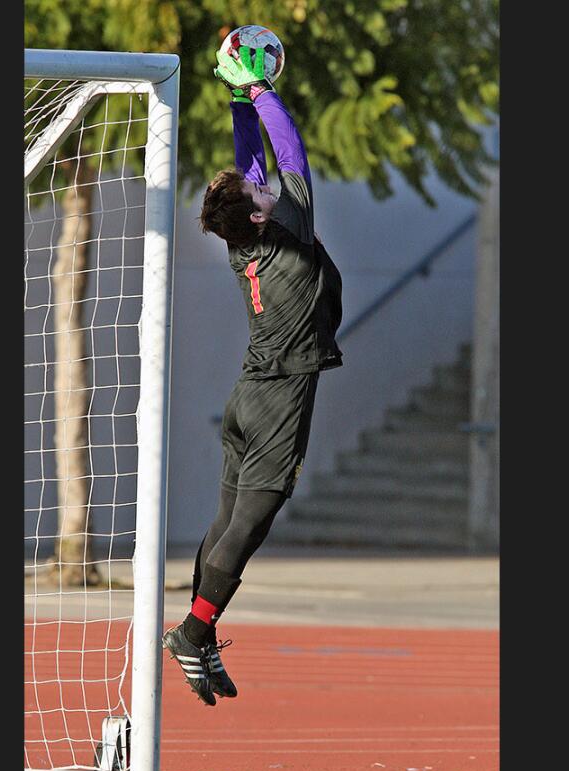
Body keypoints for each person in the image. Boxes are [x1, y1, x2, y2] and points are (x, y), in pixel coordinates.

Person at [161, 44, 344, 705]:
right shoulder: (287, 224)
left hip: (248, 395)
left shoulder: (247, 238)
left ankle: (200, 636)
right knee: (255, 519)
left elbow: (253, 166)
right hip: (278, 398)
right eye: (259, 189)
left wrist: (238, 102)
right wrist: (261, 87)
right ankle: (193, 629)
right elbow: (288, 153)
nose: (264, 182)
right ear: (260, 210)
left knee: (228, 517)